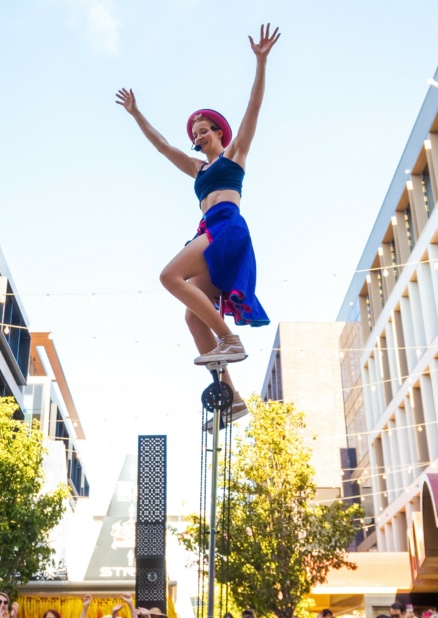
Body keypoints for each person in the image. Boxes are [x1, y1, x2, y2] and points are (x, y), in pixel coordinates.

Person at [115, 24, 280, 419]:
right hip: (208, 229)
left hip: (226, 225)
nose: (197, 135)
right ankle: (232, 396)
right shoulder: (196, 167)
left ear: (217, 132)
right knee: (192, 315)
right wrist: (137, 114)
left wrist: (260, 63)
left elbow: (253, 109)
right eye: (194, 132)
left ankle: (228, 338)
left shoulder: (235, 155)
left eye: (203, 130)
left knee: (168, 276)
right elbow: (161, 145)